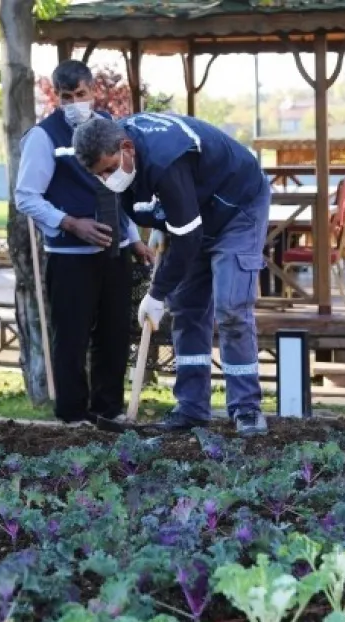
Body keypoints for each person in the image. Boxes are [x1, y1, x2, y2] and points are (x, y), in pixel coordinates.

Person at [72, 112, 270, 437]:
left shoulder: (165, 157)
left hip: (238, 207)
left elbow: (189, 236)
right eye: (99, 175)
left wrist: (156, 293)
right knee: (187, 309)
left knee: (231, 307)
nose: (107, 178)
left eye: (109, 169)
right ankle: (191, 409)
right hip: (194, 211)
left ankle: (246, 409)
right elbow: (153, 205)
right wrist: (162, 222)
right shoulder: (119, 155)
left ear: (127, 147)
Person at [14, 60, 153, 432]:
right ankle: (73, 416)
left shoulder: (110, 127)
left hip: (115, 250)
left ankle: (109, 411)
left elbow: (118, 187)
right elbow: (26, 196)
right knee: (71, 337)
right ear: (55, 97)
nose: (75, 102)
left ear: (93, 91)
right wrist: (70, 223)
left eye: (81, 94)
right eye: (66, 96)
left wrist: (135, 239)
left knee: (114, 334)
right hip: (69, 256)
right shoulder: (44, 137)